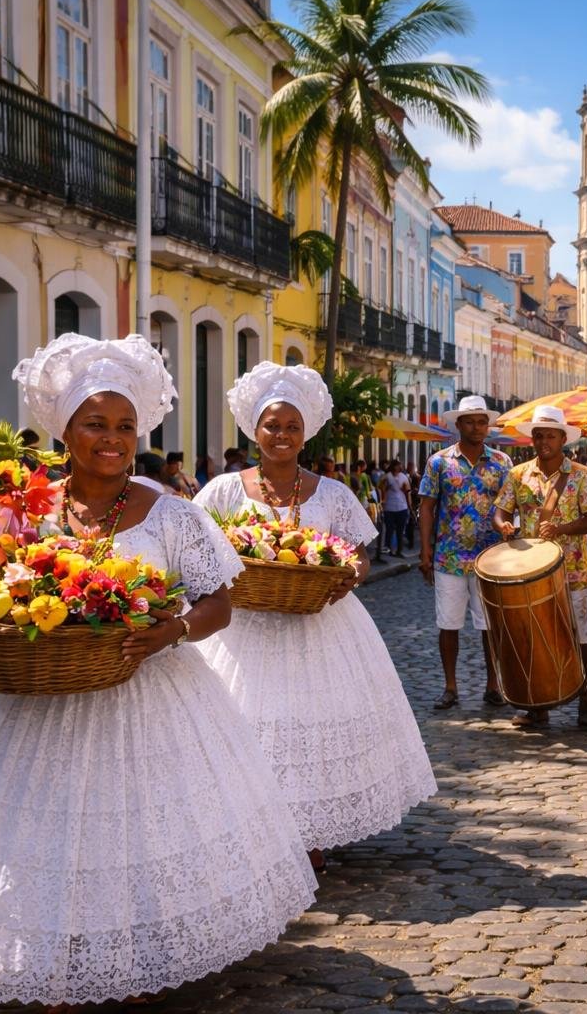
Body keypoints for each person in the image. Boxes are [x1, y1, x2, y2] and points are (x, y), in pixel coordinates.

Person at [0, 334, 315, 1006]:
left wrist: (175, 630)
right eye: (96, 424)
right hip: (33, 699)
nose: (113, 438)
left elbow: (219, 600)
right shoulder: (25, 508)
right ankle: (50, 955)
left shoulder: (174, 512)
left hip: (148, 694)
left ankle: (133, 961)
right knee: (40, 831)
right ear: (65, 430)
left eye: (126, 426)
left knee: (132, 829)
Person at [195, 362, 435, 869]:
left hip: (320, 629)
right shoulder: (222, 492)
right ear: (254, 430)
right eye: (271, 425)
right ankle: (254, 831)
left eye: (291, 427)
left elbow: (361, 554)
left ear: (305, 434)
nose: (281, 435)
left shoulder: (332, 492)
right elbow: (198, 554)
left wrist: (351, 574)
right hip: (244, 634)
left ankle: (310, 835)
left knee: (308, 728)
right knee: (247, 728)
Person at [492, 405, 587, 729]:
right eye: (538, 435)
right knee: (533, 640)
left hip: (573, 570)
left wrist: (561, 529)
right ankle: (537, 705)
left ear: (562, 439)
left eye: (549, 435)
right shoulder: (518, 474)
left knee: (580, 637)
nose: (543, 441)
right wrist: (504, 526)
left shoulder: (582, 475)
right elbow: (500, 511)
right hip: (528, 574)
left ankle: (586, 698)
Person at [418, 396, 512, 711]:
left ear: (488, 425)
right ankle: (450, 686)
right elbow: (427, 507)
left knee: (491, 624)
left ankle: (494, 683)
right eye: (470, 421)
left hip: (491, 557)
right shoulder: (439, 462)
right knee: (448, 623)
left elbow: (511, 506)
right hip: (449, 556)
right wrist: (425, 551)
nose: (477, 427)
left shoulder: (502, 462)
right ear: (458, 425)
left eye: (482, 421)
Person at [379, 459, 411, 558]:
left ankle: (399, 551)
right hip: (389, 507)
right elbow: (380, 489)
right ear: (393, 466)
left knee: (400, 531)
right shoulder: (386, 477)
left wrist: (410, 506)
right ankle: (388, 549)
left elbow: (407, 492)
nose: (400, 467)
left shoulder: (403, 477)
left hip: (401, 507)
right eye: (398, 465)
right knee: (389, 530)